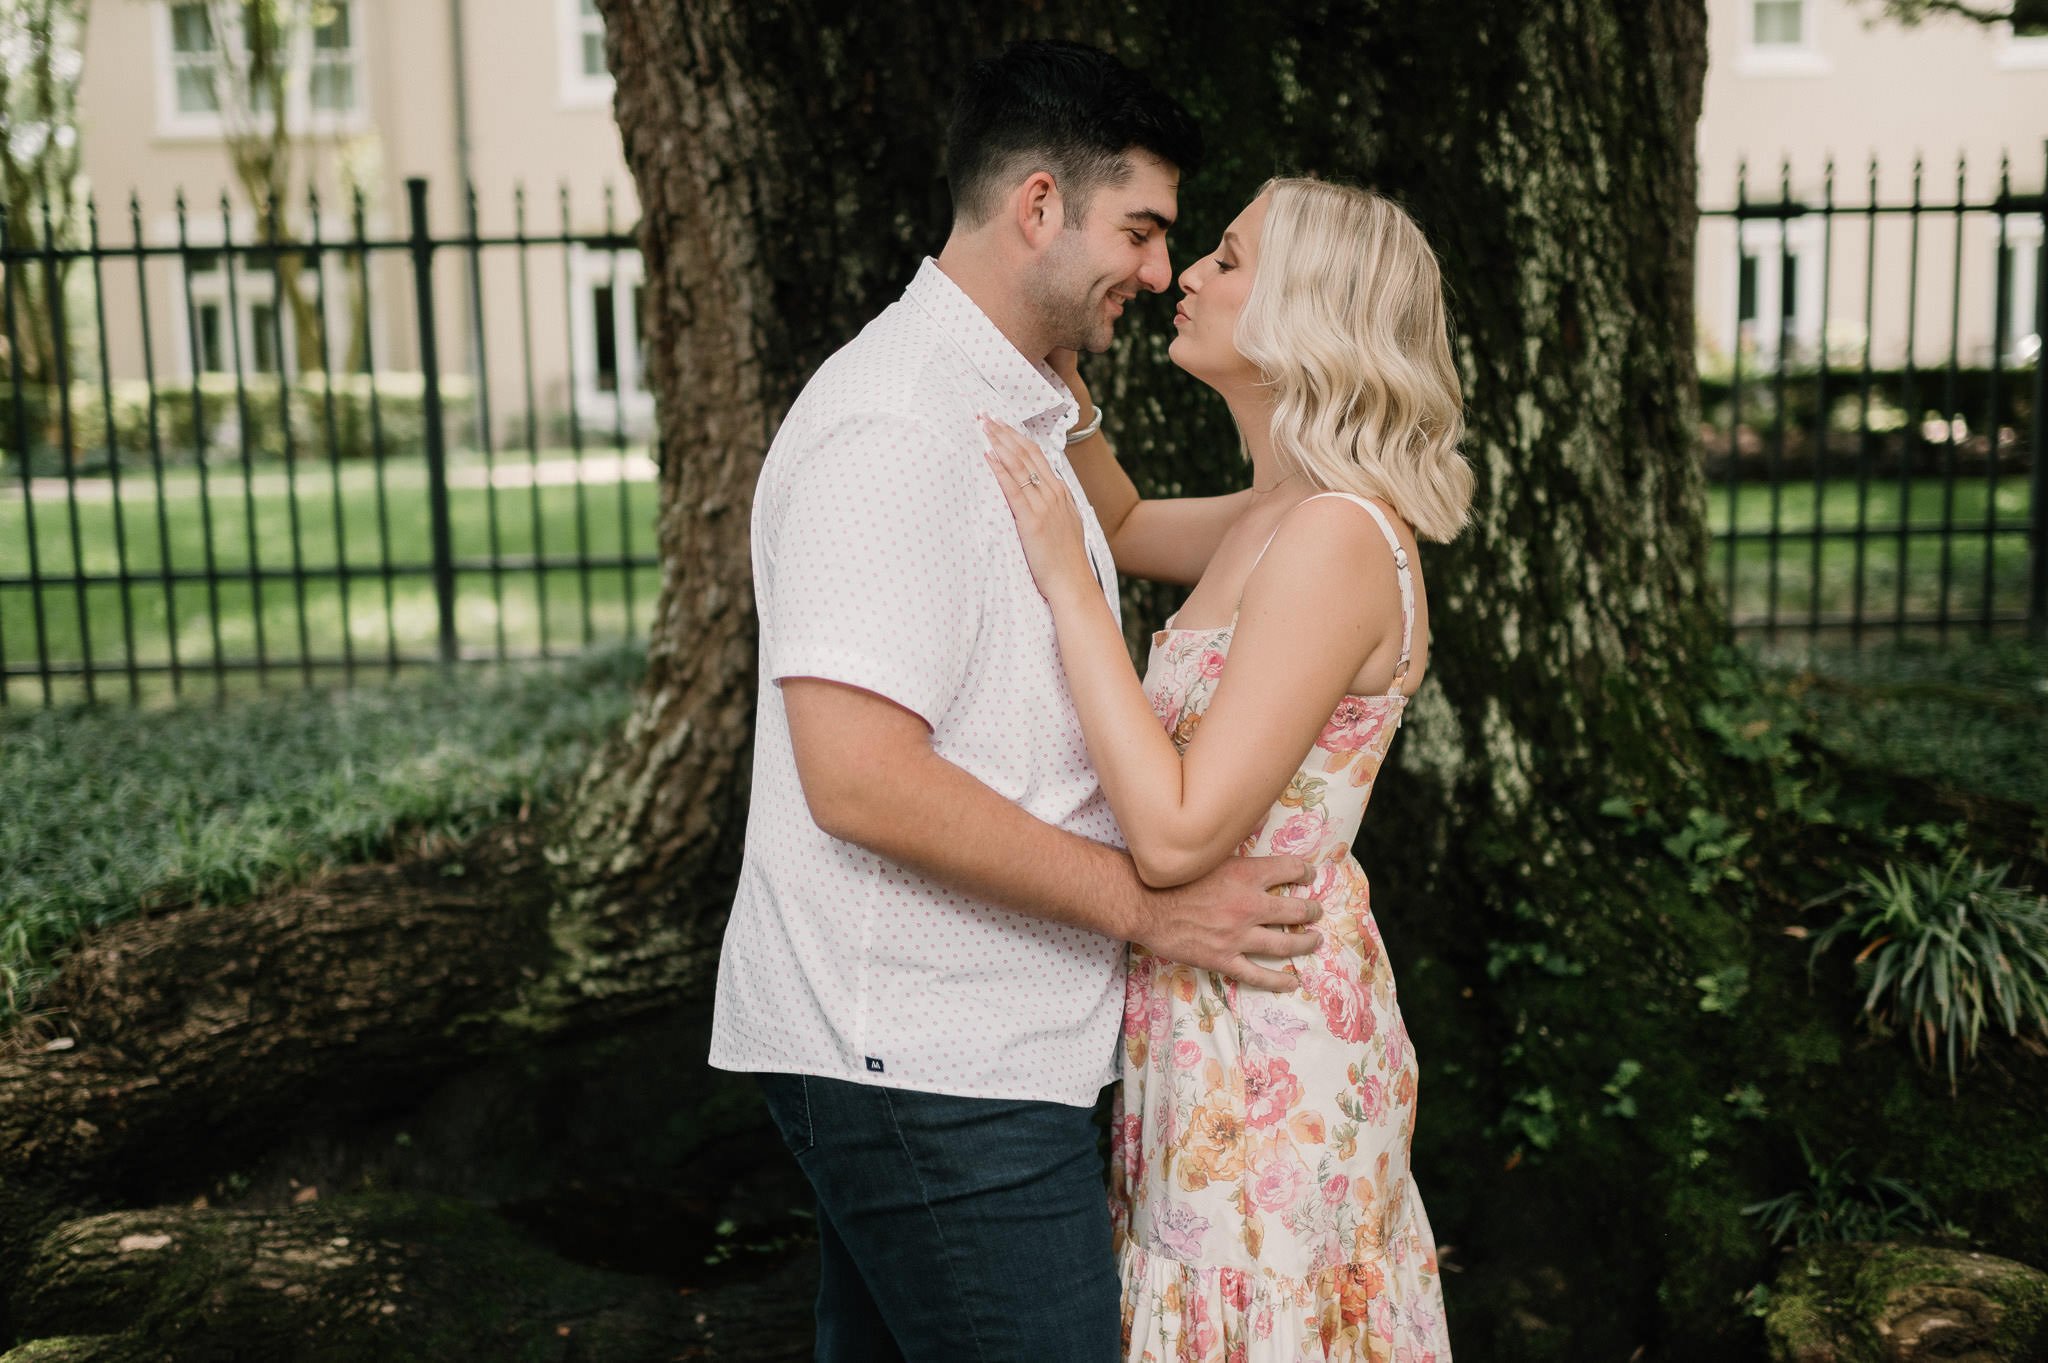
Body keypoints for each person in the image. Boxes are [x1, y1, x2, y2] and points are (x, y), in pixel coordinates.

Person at [708, 40, 1325, 1362]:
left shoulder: (1017, 404)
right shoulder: (895, 429)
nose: (1161, 273)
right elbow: (858, 775)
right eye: (1144, 230)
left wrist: (1344, 506)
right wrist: (1150, 906)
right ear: (1038, 205)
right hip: (926, 1061)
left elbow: (1156, 529)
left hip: (974, 1049)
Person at [980, 177, 1472, 1360]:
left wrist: (1062, 584)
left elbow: (1177, 833)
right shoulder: (1278, 510)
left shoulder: (1335, 540)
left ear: (1310, 312)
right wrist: (1066, 389)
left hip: (1270, 1041)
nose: (1183, 275)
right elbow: (1134, 525)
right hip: (1206, 1018)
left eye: (1228, 259)